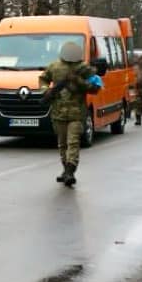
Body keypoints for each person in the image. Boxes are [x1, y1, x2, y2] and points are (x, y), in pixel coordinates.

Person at [39, 41, 102, 187]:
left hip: (76, 113)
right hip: (58, 111)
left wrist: (79, 82)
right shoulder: (54, 67)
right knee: (62, 144)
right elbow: (43, 79)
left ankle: (70, 171)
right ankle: (65, 169)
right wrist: (45, 90)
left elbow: (95, 87)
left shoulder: (84, 68)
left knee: (73, 142)